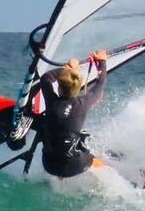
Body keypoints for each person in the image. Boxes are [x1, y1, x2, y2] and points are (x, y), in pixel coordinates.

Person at [35, 50, 108, 178]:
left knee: (59, 141)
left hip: (49, 165)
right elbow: (100, 84)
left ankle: (60, 181)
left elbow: (45, 78)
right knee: (96, 161)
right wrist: (102, 61)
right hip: (74, 166)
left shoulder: (51, 101)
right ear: (79, 87)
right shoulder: (83, 103)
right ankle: (121, 182)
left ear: (59, 88)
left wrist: (65, 70)